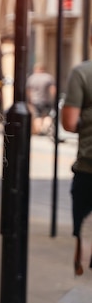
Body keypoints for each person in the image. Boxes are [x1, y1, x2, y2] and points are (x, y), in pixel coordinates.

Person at [61, 60, 92, 276]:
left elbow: (70, 122)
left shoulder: (83, 73)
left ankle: (81, 257)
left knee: (86, 232)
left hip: (89, 168)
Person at [26, 62, 56, 135]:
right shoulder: (48, 77)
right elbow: (53, 89)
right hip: (46, 100)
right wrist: (54, 98)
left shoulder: (31, 78)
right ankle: (44, 128)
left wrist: (30, 100)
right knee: (47, 115)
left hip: (35, 100)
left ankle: (39, 130)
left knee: (37, 116)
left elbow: (28, 91)